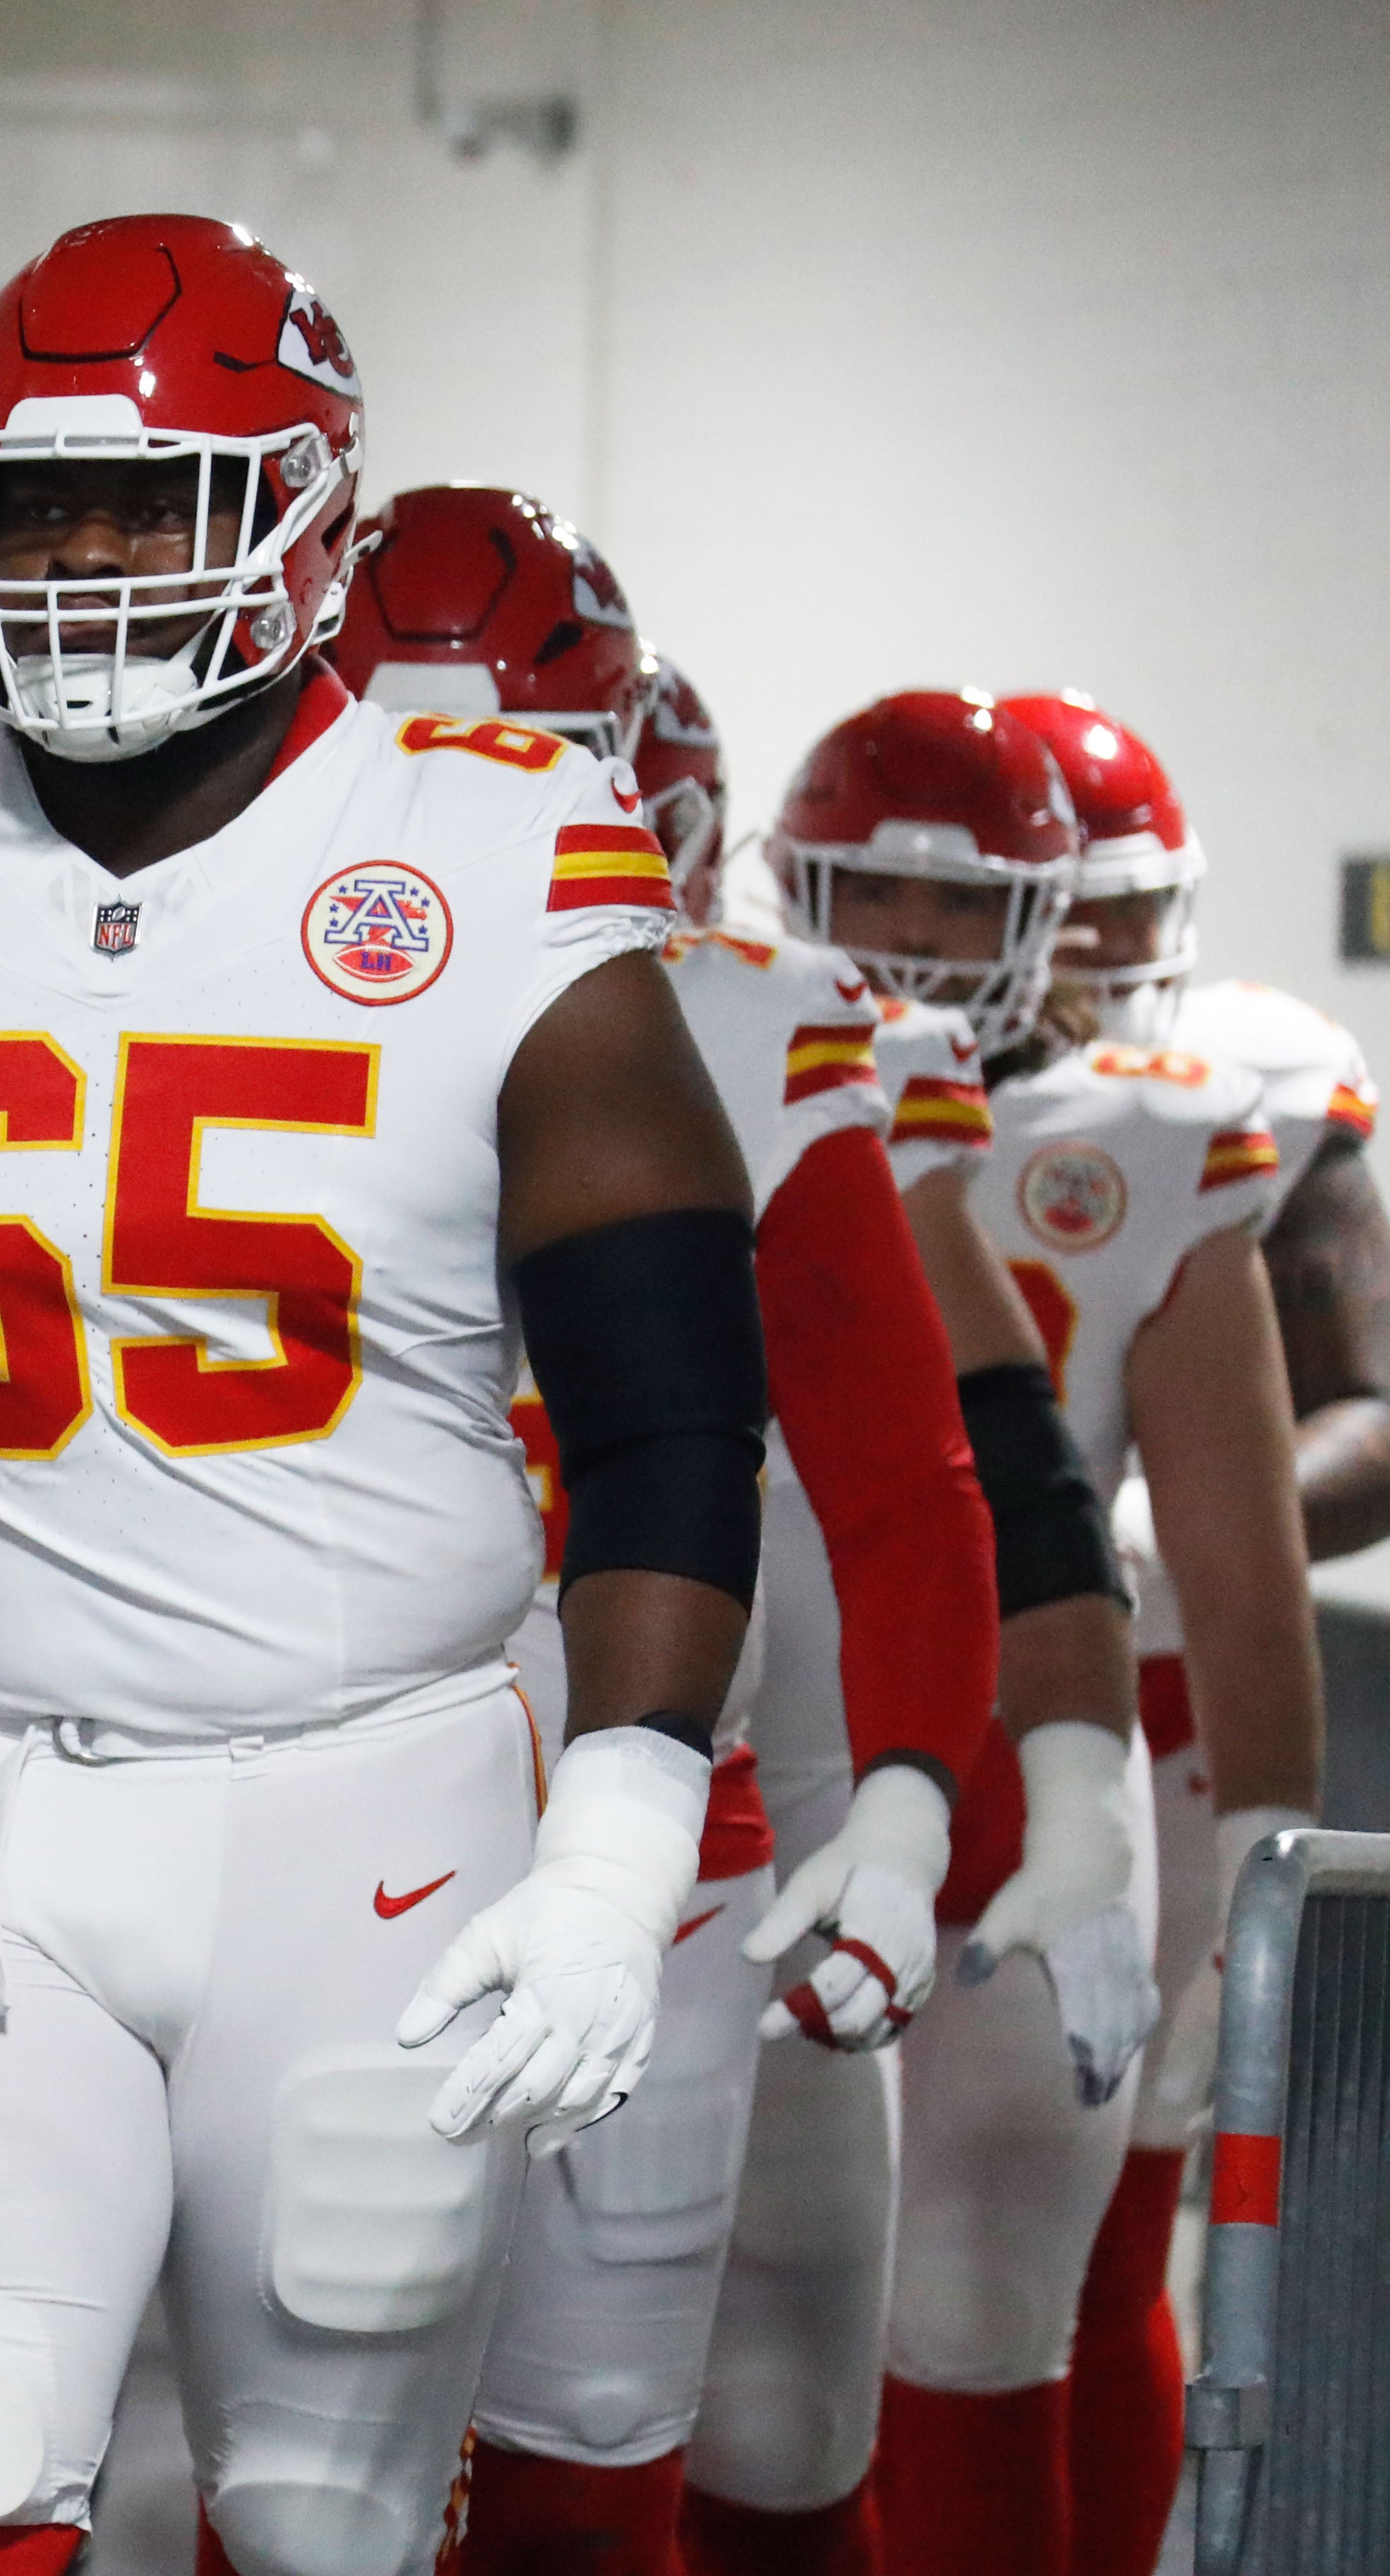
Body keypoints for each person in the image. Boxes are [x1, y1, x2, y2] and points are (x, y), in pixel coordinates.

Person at [0, 213, 774, 2576]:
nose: (85, 556)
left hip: (370, 1801)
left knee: (318, 2524)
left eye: (156, 498)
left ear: (303, 511)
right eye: (31, 504)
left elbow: (667, 1412)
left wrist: (619, 1840)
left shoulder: (502, 840)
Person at [329, 505, 1006, 2576]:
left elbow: (909, 1477)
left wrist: (904, 1806)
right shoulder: (155, 976)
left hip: (653, 1843)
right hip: (280, 1807)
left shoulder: (747, 1021)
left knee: (588, 2476)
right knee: (265, 2473)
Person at [766, 690, 1319, 2576]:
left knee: (996, 2313)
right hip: (770, 1740)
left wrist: (1261, 1866)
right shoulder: (707, 1056)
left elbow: (1240, 1553)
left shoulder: (1155, 1136)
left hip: (1044, 1736)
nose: (910, 953)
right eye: (872, 904)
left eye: (954, 914)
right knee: (721, 2350)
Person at [995, 691, 1382, 2576]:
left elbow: (1378, 1404)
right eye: (1053, 903)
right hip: (883, 1696)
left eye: (1122, 910)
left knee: (1103, 2212)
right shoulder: (838, 1057)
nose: (1085, 956)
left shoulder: (1248, 1098)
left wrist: (1200, 1510)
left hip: (1162, 1697)